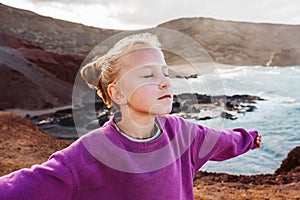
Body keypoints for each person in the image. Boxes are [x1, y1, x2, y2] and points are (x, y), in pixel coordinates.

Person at [0, 32, 262, 200]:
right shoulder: (88, 154)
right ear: (118, 93)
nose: (165, 83)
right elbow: (23, 187)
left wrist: (250, 138)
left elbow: (225, 140)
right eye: (148, 75)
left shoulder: (183, 133)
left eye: (165, 73)